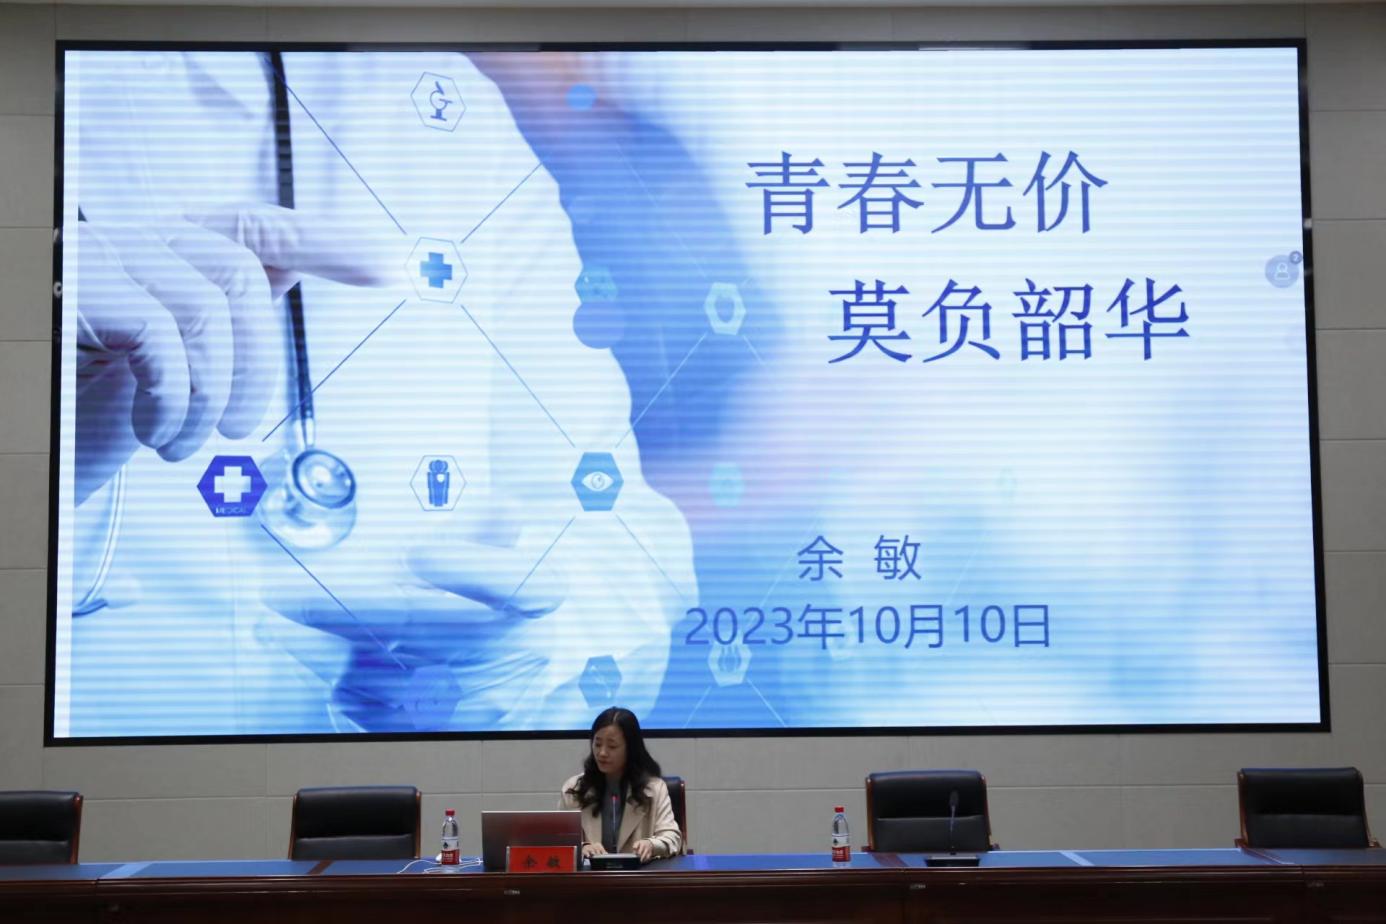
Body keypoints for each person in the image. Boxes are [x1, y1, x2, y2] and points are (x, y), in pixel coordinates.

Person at [59, 49, 696, 736]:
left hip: (384, 789)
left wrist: (532, 658)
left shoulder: (428, 103)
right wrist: (36, 469)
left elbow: (619, 536)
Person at [560, 707, 682, 862]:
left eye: (612, 746)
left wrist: (651, 845)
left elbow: (672, 837)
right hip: (590, 875)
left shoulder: (654, 789)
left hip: (638, 875)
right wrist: (582, 847)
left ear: (630, 748)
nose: (602, 753)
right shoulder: (574, 789)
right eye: (597, 744)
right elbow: (560, 839)